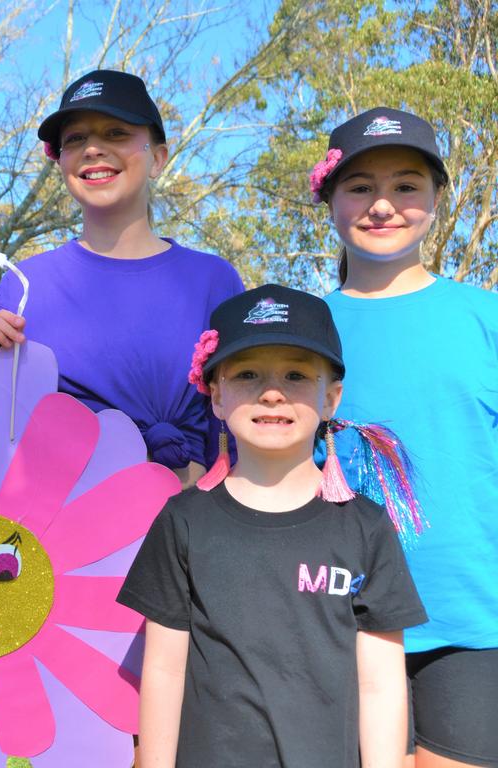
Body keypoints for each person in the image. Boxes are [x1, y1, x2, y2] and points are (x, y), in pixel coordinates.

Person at [118, 284, 427, 768]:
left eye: (296, 374)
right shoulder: (182, 522)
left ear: (332, 398)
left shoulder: (366, 528)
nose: (272, 392)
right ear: (216, 395)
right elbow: (162, 670)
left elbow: (381, 683)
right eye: (247, 374)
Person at [312, 107, 498, 768]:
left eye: (406, 185)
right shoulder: (301, 330)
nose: (383, 205)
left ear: (437, 199)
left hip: (470, 625)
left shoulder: (485, 318)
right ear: (328, 198)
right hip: (336, 622)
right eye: (360, 186)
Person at [0, 69, 244, 486]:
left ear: (158, 157)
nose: (93, 148)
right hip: (65, 534)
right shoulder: (25, 284)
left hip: (192, 523)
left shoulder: (213, 280)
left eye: (116, 133)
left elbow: (238, 428)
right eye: (75, 139)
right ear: (59, 161)